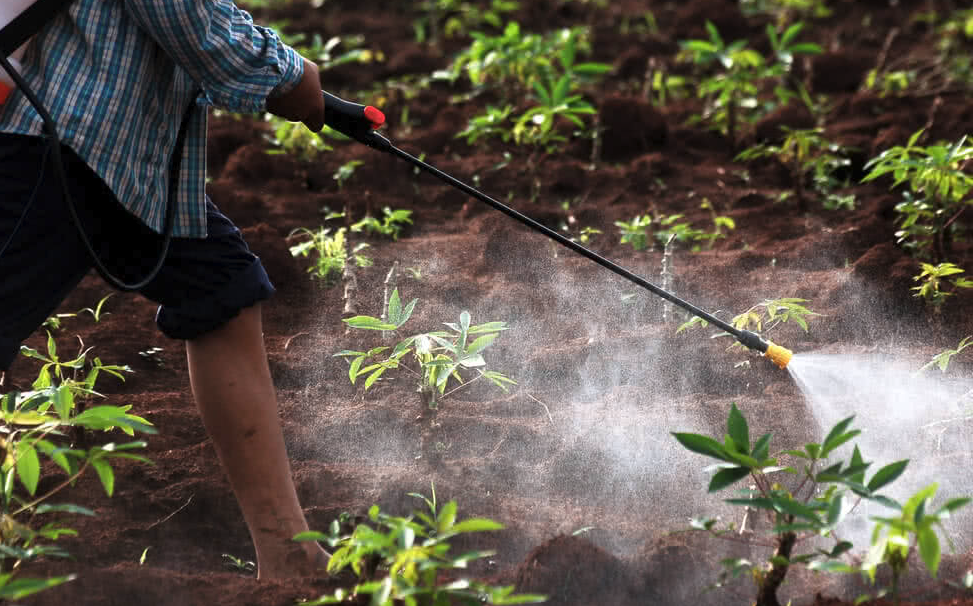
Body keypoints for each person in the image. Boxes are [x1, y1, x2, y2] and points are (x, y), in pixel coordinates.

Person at [0, 0, 332, 579]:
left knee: (218, 289)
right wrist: (289, 76)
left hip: (117, 140)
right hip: (50, 133)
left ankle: (291, 556)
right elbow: (183, 15)